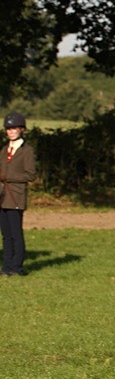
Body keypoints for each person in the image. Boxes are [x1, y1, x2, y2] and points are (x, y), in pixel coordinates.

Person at [1, 112, 36, 277]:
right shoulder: (3, 150)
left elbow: (30, 175)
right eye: (8, 129)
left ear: (21, 129)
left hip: (15, 197)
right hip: (2, 197)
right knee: (5, 235)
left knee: (16, 234)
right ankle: (6, 266)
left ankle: (17, 267)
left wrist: (7, 176)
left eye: (14, 128)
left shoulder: (27, 151)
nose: (11, 131)